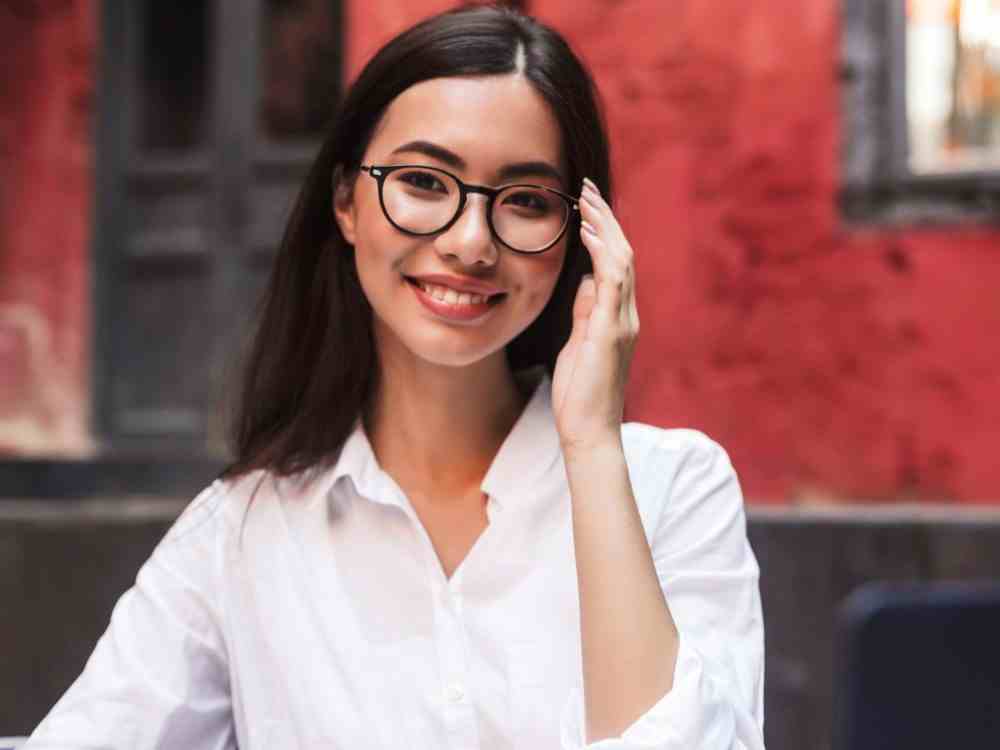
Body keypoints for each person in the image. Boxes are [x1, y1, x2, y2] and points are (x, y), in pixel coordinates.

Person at [23, 4, 765, 749]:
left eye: (529, 201)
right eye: (423, 182)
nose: (471, 243)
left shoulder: (672, 490)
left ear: (579, 236)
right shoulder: (243, 530)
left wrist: (592, 448)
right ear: (346, 201)